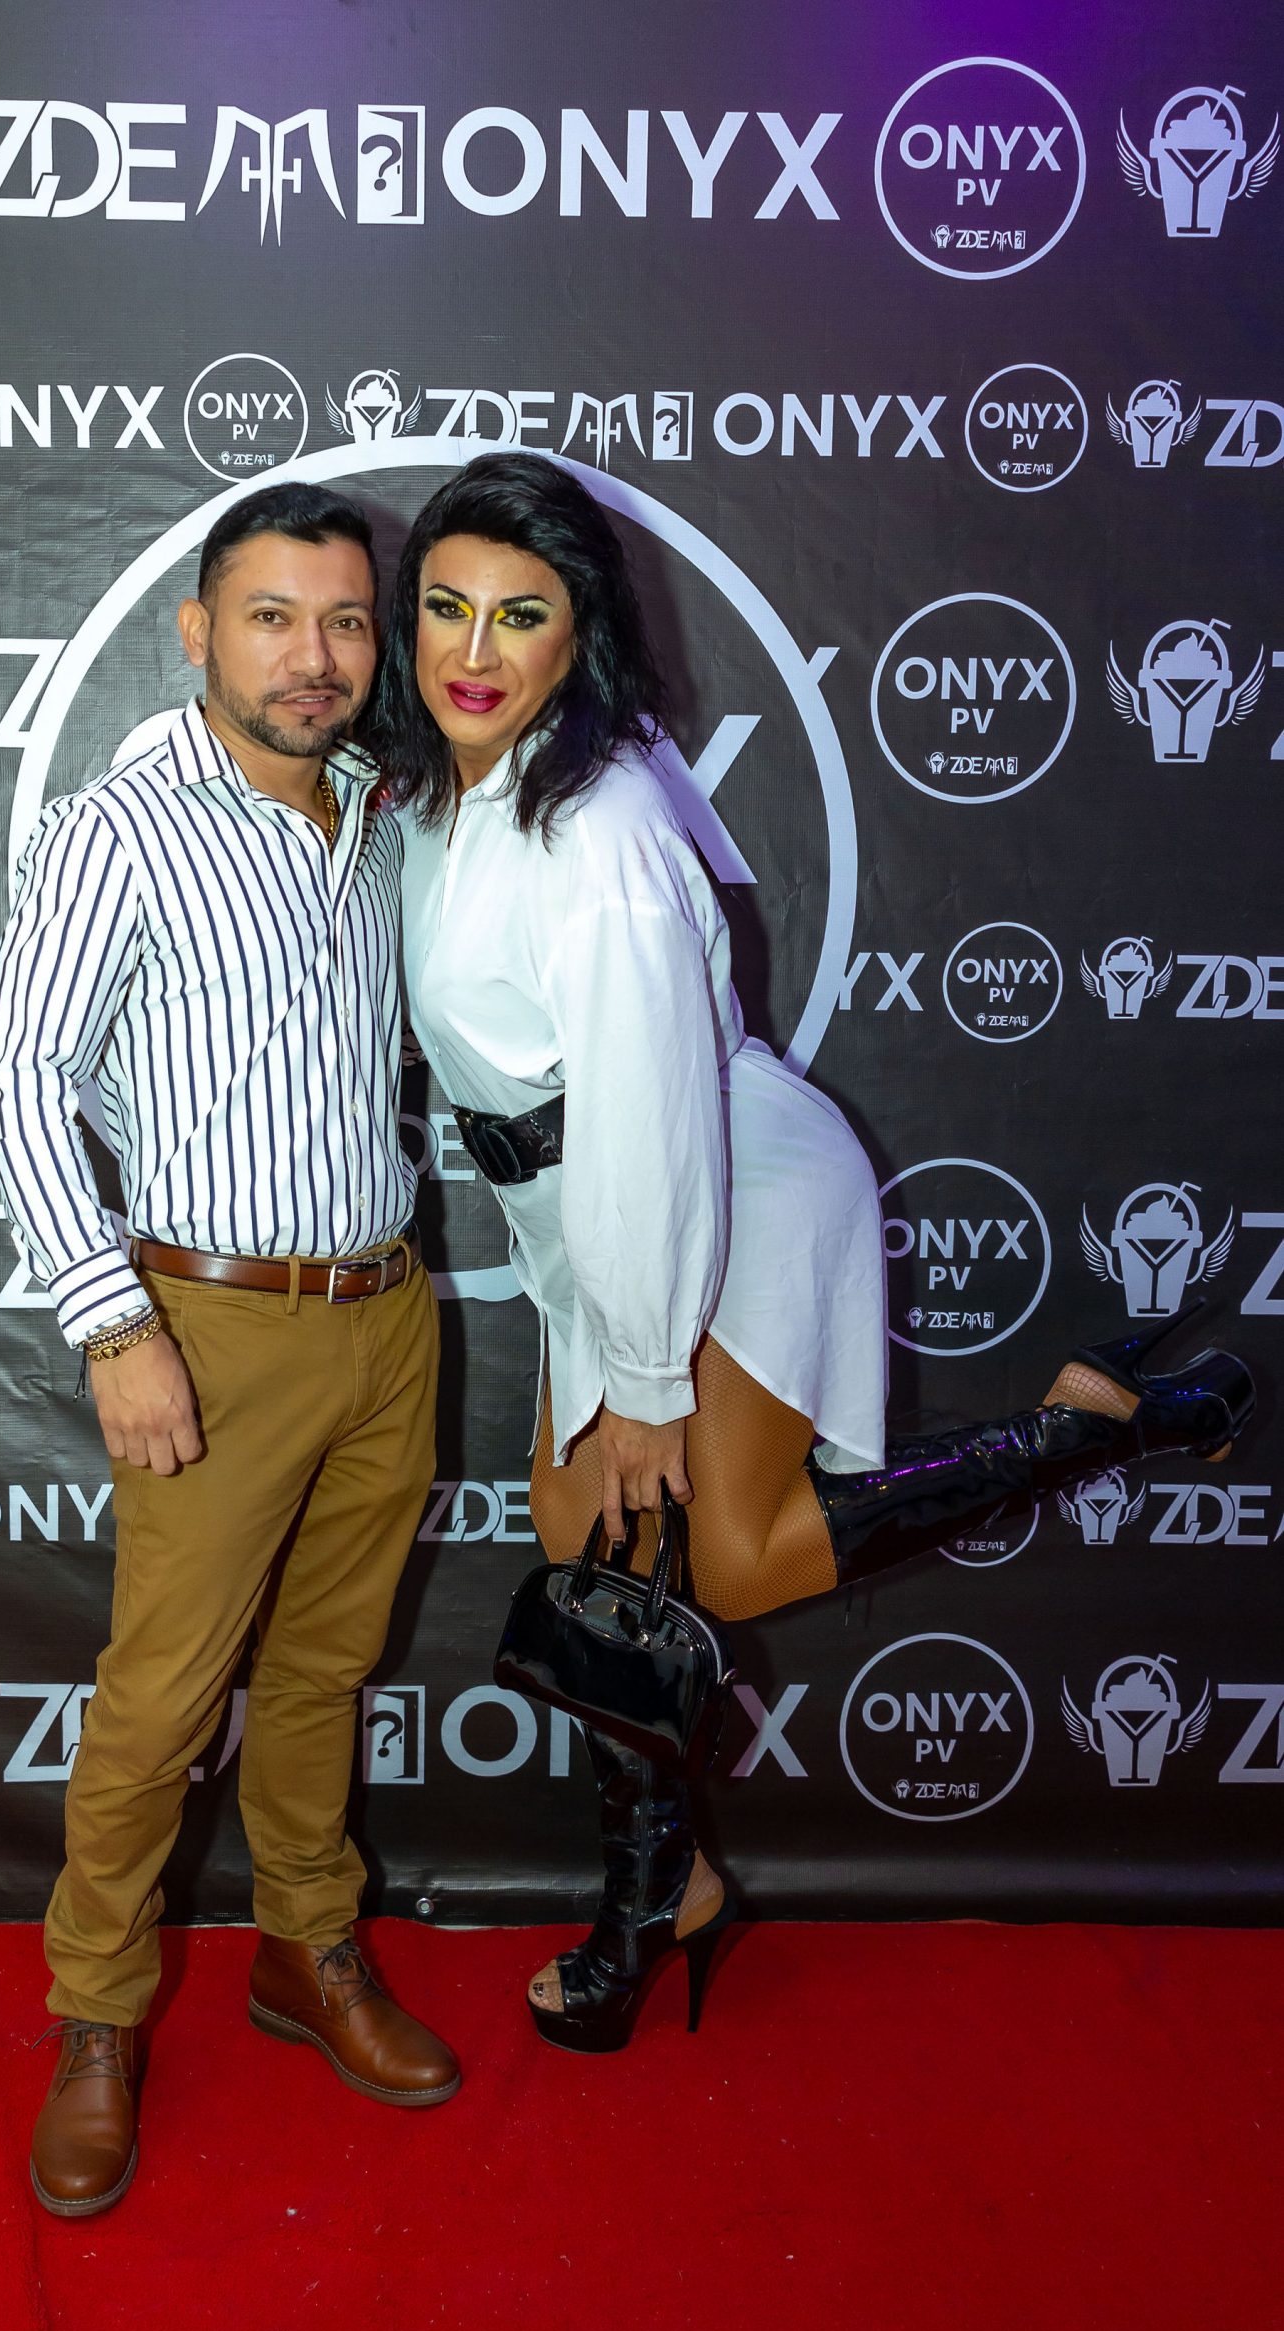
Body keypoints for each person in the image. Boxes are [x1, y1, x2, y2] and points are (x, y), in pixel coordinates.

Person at [373, 450, 1255, 2055]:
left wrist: (649, 1377)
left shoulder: (598, 831)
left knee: (720, 1559)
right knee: (589, 1556)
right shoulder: (447, 780)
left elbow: (652, 1117)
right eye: (446, 607)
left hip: (720, 1190)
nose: (474, 651)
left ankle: (1084, 1429)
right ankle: (673, 1887)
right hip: (585, 1212)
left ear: (582, 634)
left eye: (522, 614)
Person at [0, 482, 459, 2221]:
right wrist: (116, 1327)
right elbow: (16, 1086)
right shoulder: (122, 827)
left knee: (326, 1671)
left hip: (390, 1314)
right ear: (199, 631)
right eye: (272, 617)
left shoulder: (383, 813)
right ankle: (99, 2016)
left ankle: (304, 1952)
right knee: (165, 1699)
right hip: (208, 1320)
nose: (313, 656)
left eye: (345, 621)